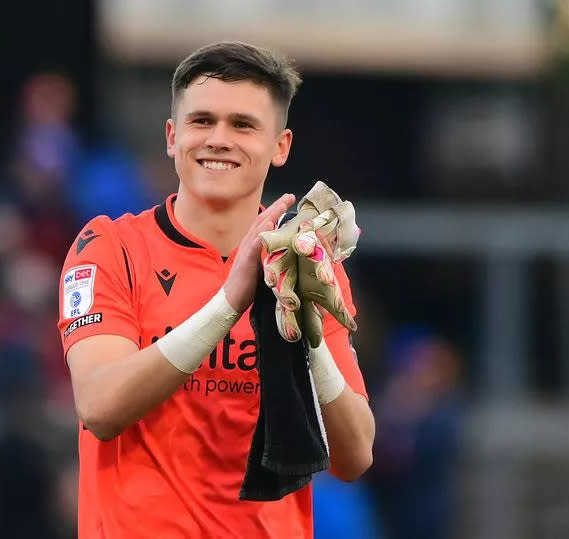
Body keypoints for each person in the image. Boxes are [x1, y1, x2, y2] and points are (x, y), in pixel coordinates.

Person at [57, 41, 375, 538]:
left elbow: (355, 456)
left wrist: (309, 332)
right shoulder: (109, 246)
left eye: (243, 125)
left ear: (280, 146)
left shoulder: (304, 265)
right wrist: (229, 302)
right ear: (172, 136)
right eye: (201, 121)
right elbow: (99, 407)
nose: (219, 139)